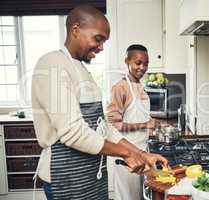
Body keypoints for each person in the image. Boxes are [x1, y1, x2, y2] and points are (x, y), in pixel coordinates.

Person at [31, 5, 168, 200]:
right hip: (67, 177)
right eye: (98, 39)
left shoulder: (81, 70)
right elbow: (74, 132)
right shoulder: (52, 64)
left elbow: (104, 128)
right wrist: (126, 154)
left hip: (92, 175)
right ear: (75, 29)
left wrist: (141, 154)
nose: (102, 47)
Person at [107, 44, 157, 200]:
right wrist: (144, 125)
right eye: (138, 63)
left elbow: (137, 116)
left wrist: (151, 125)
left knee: (139, 197)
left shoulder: (139, 85)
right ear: (126, 61)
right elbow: (113, 125)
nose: (142, 67)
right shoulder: (120, 88)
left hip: (142, 152)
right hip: (125, 157)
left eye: (146, 63)